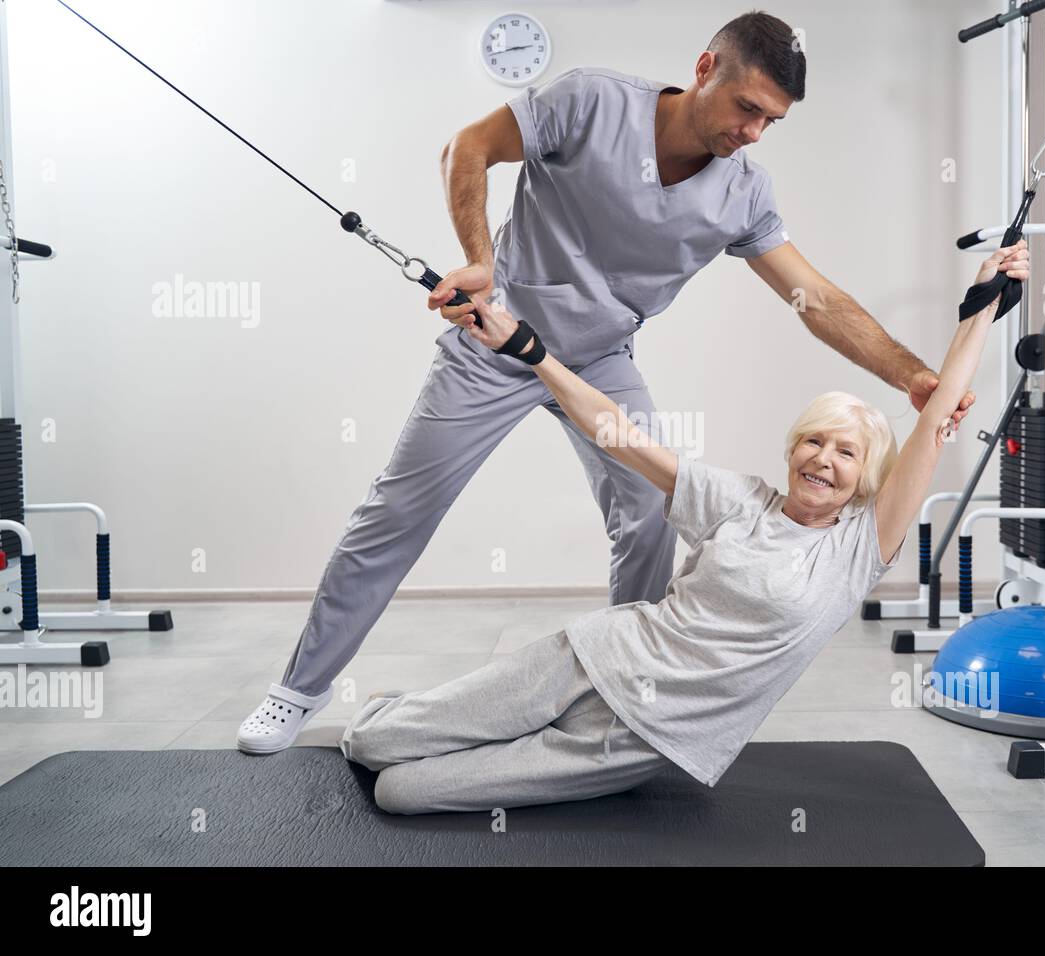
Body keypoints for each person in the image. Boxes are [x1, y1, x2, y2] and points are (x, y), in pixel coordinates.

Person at [237, 10, 975, 754]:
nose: (753, 132)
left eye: (771, 121)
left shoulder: (745, 192)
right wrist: (478, 258)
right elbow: (469, 147)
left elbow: (814, 298)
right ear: (704, 69)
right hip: (498, 340)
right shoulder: (591, 101)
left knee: (652, 512)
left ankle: (626, 688)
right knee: (400, 509)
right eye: (748, 108)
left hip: (600, 361)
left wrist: (911, 373)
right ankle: (298, 689)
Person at [335, 241, 1030, 814]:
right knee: (369, 746)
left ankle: (432, 720)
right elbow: (619, 435)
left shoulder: (856, 550)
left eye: (846, 452)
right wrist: (528, 348)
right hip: (592, 658)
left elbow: (936, 423)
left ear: (868, 478)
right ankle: (410, 714)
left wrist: (982, 308)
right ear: (792, 449)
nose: (824, 459)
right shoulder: (740, 502)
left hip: (639, 741)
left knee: (402, 792)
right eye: (814, 441)